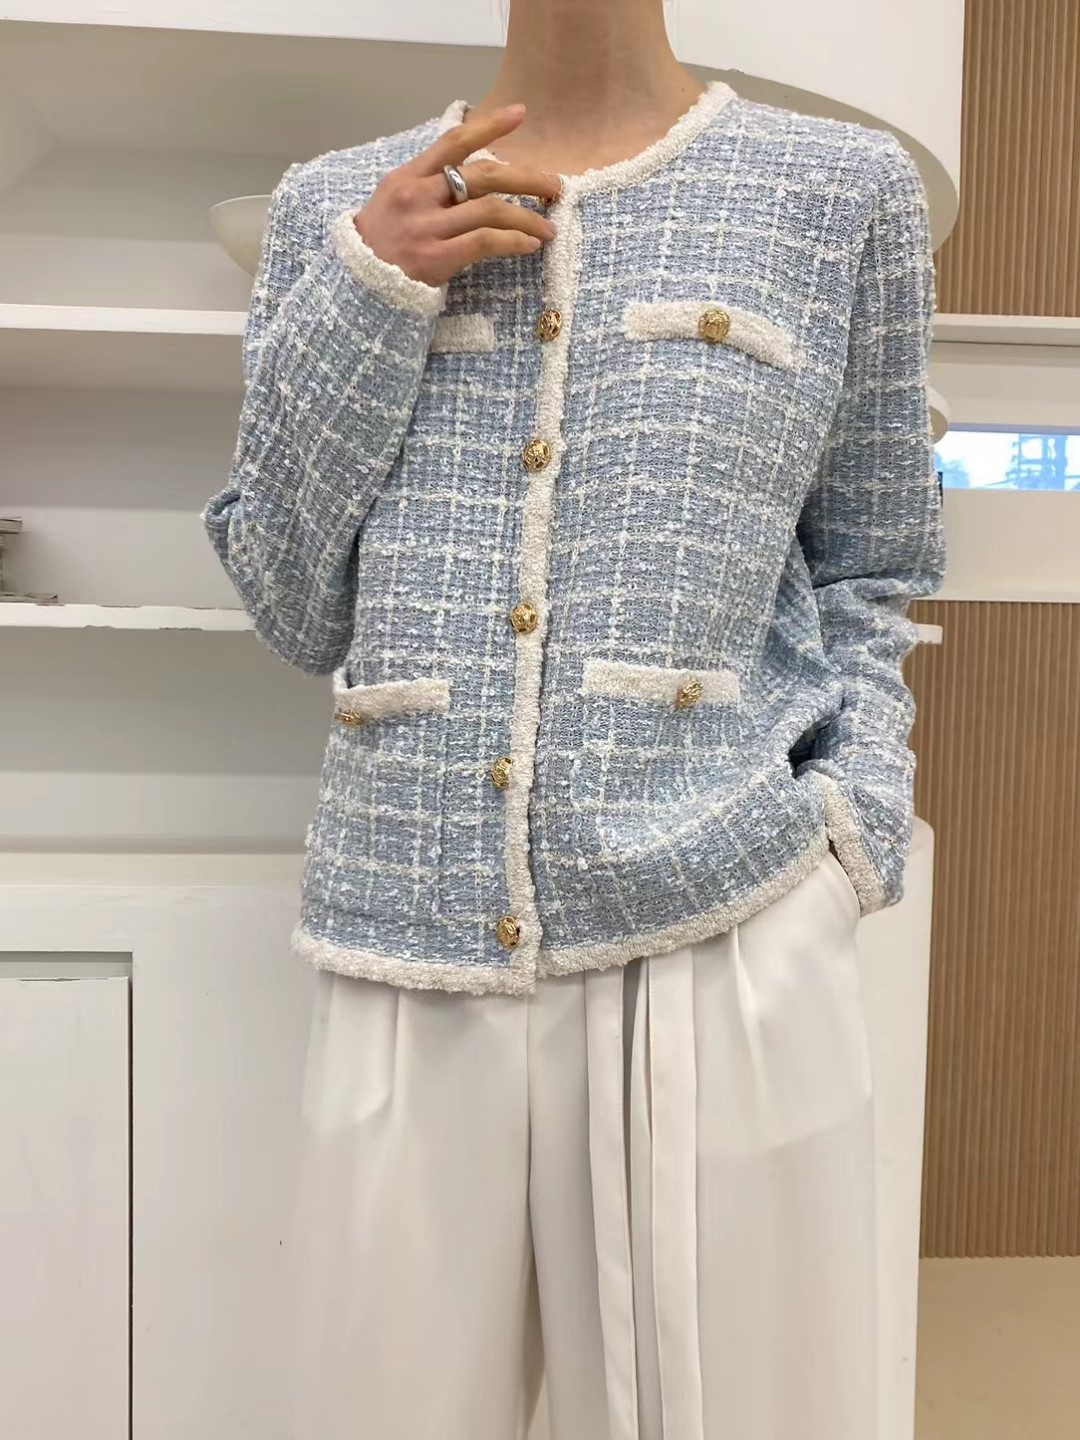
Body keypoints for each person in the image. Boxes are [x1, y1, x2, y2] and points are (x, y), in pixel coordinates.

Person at [202, 0, 947, 1435]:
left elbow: (874, 558)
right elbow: (291, 601)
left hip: (723, 919)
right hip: (406, 935)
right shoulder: (334, 209)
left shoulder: (840, 193)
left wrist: (850, 836)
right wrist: (368, 290)